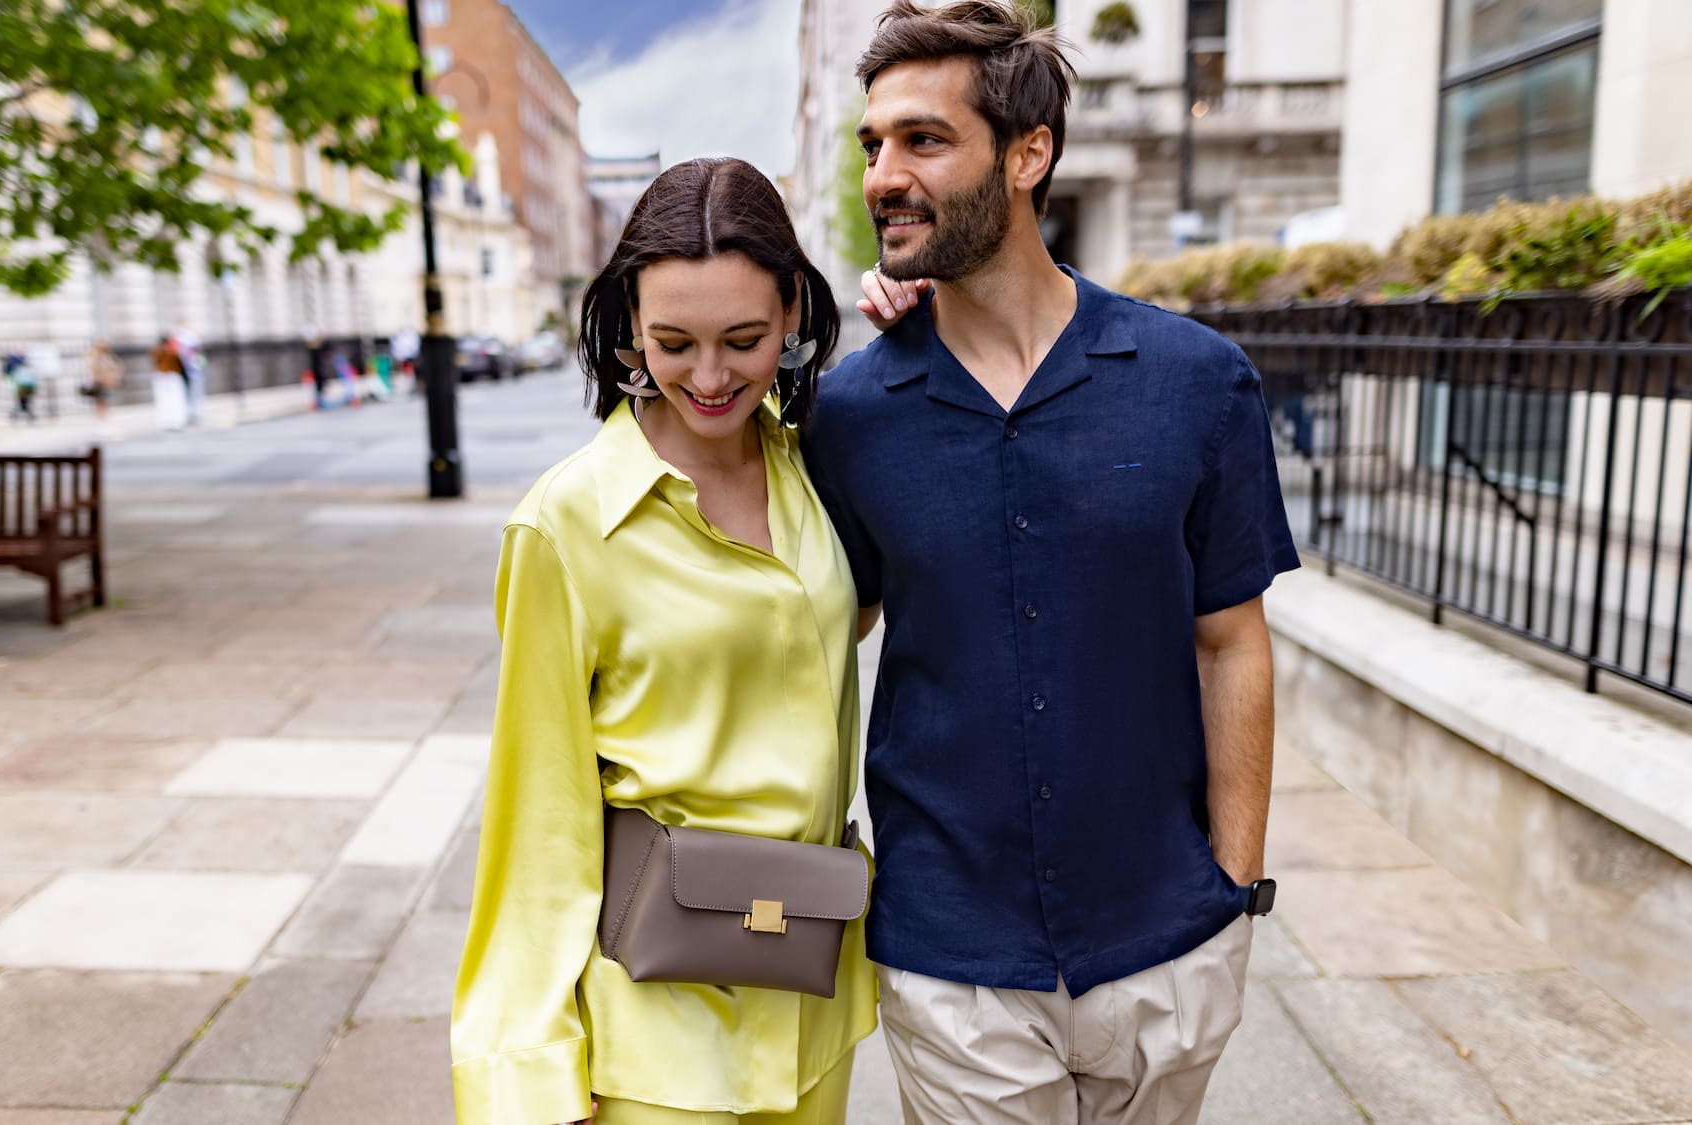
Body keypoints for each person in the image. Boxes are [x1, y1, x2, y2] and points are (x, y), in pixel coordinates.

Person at [801, 3, 1300, 1122]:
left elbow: (1230, 642)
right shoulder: (849, 416)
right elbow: (817, 626)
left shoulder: (1195, 382)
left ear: (1028, 154)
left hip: (1165, 943)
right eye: (871, 145)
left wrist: (1232, 893)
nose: (883, 173)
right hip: (949, 954)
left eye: (922, 140)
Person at [451, 157, 875, 1125]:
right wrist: (527, 1072)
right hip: (654, 1030)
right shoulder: (564, 524)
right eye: (673, 343)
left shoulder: (812, 469)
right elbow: (536, 812)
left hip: (810, 992)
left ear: (792, 314)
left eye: (744, 339)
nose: (711, 376)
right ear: (629, 330)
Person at [149, 335, 189, 431]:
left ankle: (169, 421)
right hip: (171, 377)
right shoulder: (172, 351)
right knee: (175, 399)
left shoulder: (157, 351)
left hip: (162, 377)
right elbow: (180, 364)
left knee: (165, 399)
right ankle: (175, 421)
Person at [85, 339, 123, 420]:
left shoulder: (109, 357)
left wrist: (114, 376)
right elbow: (94, 369)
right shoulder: (95, 357)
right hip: (99, 381)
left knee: (106, 397)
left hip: (107, 381)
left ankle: (104, 415)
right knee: (100, 399)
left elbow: (117, 366)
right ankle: (101, 416)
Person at [1, 349, 38, 423]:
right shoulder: (21, 365)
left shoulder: (15, 366)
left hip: (22, 387)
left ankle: (19, 415)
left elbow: (7, 374)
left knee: (22, 402)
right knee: (23, 402)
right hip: (24, 387)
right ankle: (26, 415)